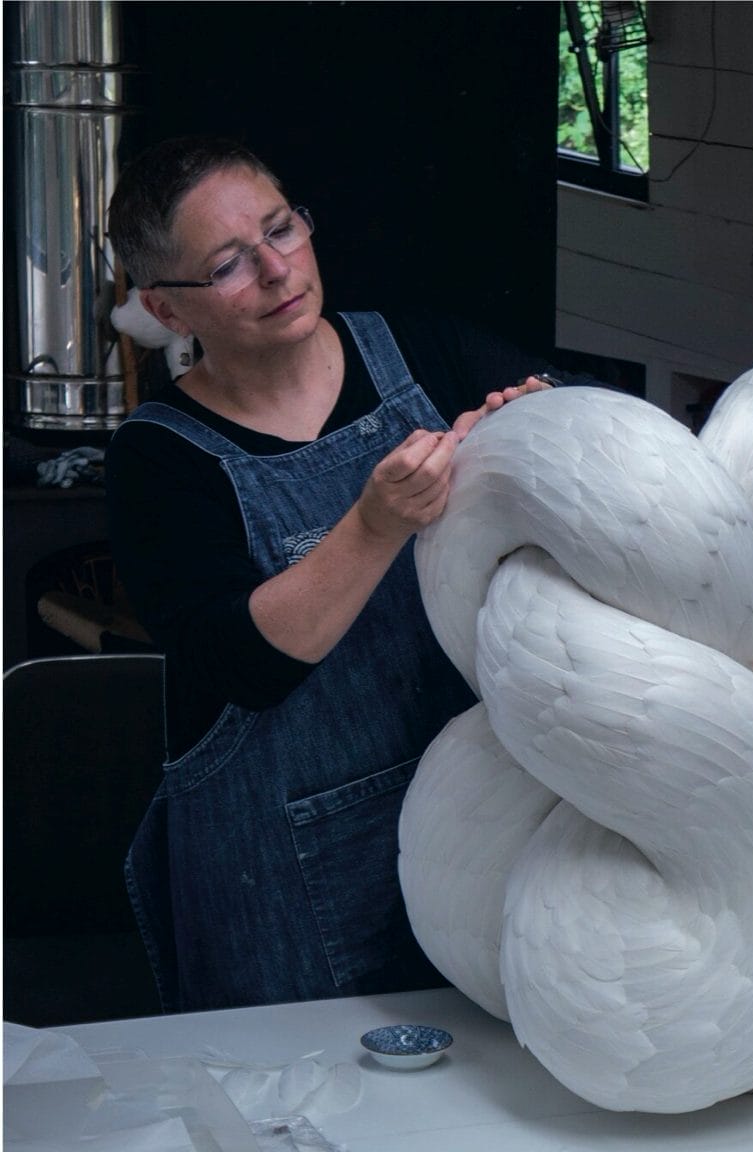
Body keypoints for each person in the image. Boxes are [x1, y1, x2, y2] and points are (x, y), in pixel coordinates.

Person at [105, 135, 583, 1013]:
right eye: (228, 266)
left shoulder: (426, 351)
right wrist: (374, 525)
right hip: (280, 877)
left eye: (282, 230)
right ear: (168, 312)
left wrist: (541, 429)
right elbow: (243, 665)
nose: (278, 271)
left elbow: (593, 458)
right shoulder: (157, 463)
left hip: (479, 826)